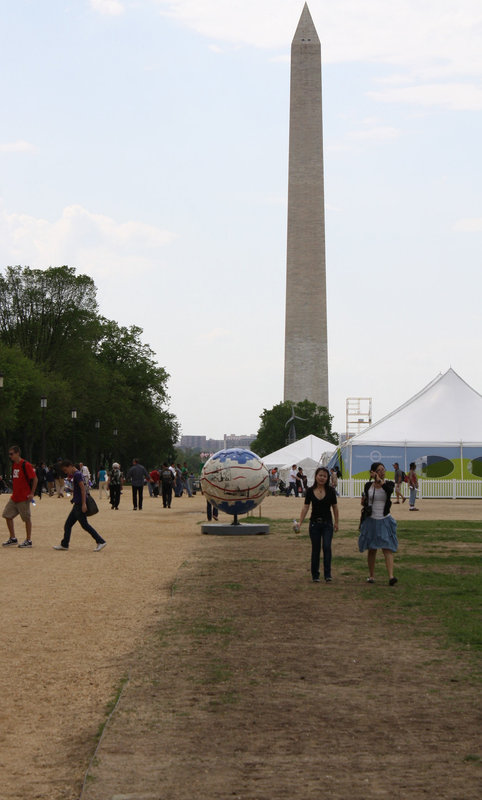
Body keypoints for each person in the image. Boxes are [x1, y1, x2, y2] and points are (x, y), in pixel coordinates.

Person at [53, 460, 106, 551]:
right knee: (68, 525)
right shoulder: (77, 474)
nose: (66, 472)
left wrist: (84, 504)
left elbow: (83, 489)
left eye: (66, 470)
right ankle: (65, 544)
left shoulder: (77, 475)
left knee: (84, 525)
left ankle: (100, 541)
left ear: (70, 466)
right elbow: (80, 490)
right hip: (77, 504)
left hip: (79, 505)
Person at [297, 467, 339, 583]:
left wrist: (336, 522)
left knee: (326, 547)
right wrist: (300, 522)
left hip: (327, 524)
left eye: (325, 476)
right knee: (315, 549)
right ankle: (315, 575)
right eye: (320, 475)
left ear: (327, 478)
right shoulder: (310, 491)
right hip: (314, 524)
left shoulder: (331, 491)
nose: (322, 478)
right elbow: (306, 507)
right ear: (316, 476)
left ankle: (327, 574)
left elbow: (335, 507)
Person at [359, 462, 398, 585]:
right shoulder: (368, 486)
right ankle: (371, 576)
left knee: (387, 548)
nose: (382, 471)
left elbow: (389, 491)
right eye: (379, 470)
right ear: (373, 472)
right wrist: (363, 502)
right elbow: (365, 502)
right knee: (372, 549)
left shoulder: (389, 484)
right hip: (371, 519)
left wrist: (379, 480)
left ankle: (391, 576)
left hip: (384, 519)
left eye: (383, 469)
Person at [2, 445, 38, 548]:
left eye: (12, 454)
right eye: (9, 454)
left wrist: (32, 493)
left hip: (23, 497)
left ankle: (28, 540)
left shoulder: (25, 465)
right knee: (7, 515)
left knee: (26, 518)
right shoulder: (14, 465)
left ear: (18, 453)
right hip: (15, 497)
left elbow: (35, 479)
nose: (10, 456)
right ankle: (13, 538)